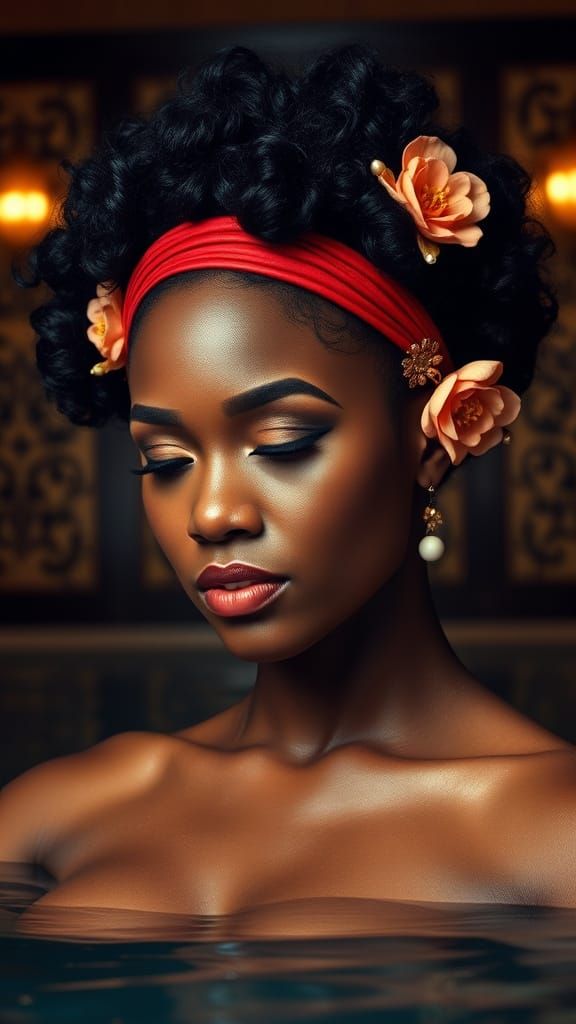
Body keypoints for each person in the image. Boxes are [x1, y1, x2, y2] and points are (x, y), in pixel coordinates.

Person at [2, 43, 575, 926]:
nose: (213, 514)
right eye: (164, 461)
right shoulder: (56, 812)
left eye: (282, 441)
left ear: (433, 438)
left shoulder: (552, 836)